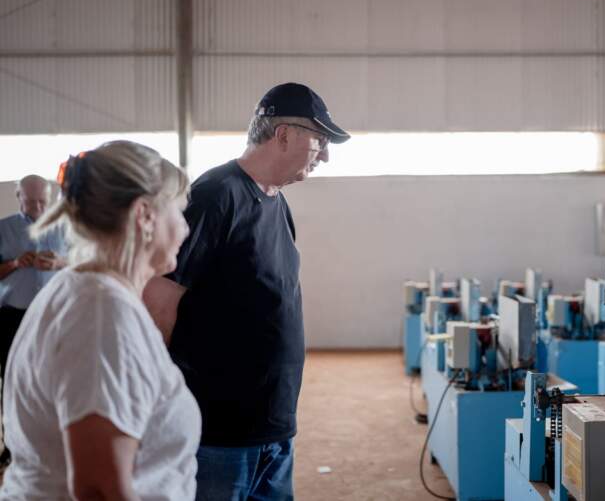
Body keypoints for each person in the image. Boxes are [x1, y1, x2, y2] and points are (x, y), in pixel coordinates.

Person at [143, 82, 350, 500]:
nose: (325, 154)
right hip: (219, 434)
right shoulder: (216, 195)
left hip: (272, 428)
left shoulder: (276, 203)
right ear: (285, 134)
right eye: (320, 140)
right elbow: (158, 303)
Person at [0, 141, 201, 500]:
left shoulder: (89, 292)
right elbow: (99, 488)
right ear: (144, 215)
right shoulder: (101, 313)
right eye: (180, 210)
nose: (185, 228)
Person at [0, 175, 67, 378]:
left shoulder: (67, 229)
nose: (37, 206)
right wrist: (15, 263)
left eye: (42, 201)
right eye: (30, 201)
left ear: (49, 197)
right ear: (19, 196)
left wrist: (60, 263)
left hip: (56, 314)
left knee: (54, 376)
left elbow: (85, 266)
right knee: (13, 375)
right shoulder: (2, 229)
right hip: (12, 317)